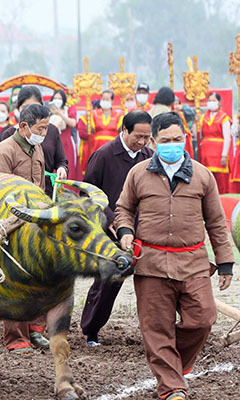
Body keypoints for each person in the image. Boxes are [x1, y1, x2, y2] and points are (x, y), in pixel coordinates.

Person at [115, 112, 234, 400]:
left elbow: (217, 222)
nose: (172, 144)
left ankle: (176, 363)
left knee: (203, 319)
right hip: (151, 263)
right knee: (156, 328)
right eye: (166, 140)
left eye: (177, 139)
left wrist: (226, 262)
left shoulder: (203, 175)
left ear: (186, 139)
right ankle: (172, 387)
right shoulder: (138, 173)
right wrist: (125, 231)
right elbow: (124, 209)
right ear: (154, 142)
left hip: (193, 262)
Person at [80, 110, 153, 346]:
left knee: (155, 281)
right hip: (109, 230)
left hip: (143, 227)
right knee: (109, 280)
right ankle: (91, 329)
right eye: (137, 137)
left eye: (146, 137)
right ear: (124, 131)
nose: (142, 142)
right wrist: (110, 218)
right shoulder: (103, 155)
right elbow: (87, 193)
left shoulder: (149, 157)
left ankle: (156, 332)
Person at [0, 103, 51, 353]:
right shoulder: (4, 151)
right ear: (24, 126)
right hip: (12, 226)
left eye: (47, 128)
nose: (44, 133)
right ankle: (16, 338)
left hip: (36, 224)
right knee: (15, 282)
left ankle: (36, 330)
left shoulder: (37, 148)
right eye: (41, 128)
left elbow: (41, 186)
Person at [0, 86, 68, 198]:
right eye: (25, 107)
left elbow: (61, 160)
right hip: (19, 195)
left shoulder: (52, 131)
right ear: (18, 109)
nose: (30, 111)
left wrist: (62, 169)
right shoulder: (9, 135)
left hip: (47, 193)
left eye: (35, 107)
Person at [77, 90, 123, 174]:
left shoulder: (118, 115)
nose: (105, 101)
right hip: (97, 146)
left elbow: (121, 131)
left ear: (112, 101)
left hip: (113, 146)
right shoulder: (93, 114)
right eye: (103, 99)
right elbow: (85, 125)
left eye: (107, 99)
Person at [199, 92, 232, 194]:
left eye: (214, 101)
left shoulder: (224, 118)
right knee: (207, 178)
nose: (211, 103)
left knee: (220, 179)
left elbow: (227, 138)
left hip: (218, 153)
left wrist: (224, 155)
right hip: (206, 154)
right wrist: (196, 123)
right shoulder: (203, 117)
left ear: (219, 102)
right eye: (209, 100)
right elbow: (198, 136)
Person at [50, 89, 81, 181]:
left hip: (66, 141)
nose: (57, 100)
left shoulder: (68, 110)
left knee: (68, 164)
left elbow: (73, 123)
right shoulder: (48, 110)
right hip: (52, 141)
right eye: (55, 98)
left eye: (59, 98)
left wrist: (60, 114)